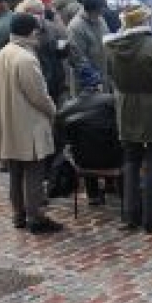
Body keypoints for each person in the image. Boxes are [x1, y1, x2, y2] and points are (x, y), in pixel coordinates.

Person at [105, 3, 152, 233]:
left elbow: (111, 78)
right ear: (144, 22)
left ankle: (130, 216)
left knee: (131, 160)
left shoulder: (112, 47)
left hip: (126, 106)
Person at [0, 12, 63, 232]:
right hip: (28, 124)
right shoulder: (26, 59)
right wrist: (54, 112)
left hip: (10, 124)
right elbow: (38, 96)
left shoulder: (2, 54)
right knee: (34, 171)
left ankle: (19, 214)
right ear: (31, 32)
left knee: (15, 172)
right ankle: (35, 217)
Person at [56, 64, 122, 205]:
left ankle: (93, 195)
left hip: (82, 161)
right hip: (112, 160)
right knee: (114, 143)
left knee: (83, 144)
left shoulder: (68, 107)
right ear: (98, 84)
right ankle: (120, 191)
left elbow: (59, 127)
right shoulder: (111, 101)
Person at [67, 0, 111, 88]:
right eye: (100, 10)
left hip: (103, 73)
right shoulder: (76, 27)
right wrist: (94, 79)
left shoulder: (100, 20)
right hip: (87, 82)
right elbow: (78, 57)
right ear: (91, 10)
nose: (102, 13)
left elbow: (108, 40)